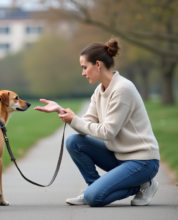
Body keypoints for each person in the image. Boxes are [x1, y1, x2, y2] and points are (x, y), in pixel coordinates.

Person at [34, 38, 160, 207]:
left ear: (98, 65)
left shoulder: (123, 89)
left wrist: (75, 120)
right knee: (74, 141)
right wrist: (62, 112)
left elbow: (107, 132)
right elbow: (86, 125)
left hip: (142, 161)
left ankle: (143, 185)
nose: (83, 73)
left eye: (85, 67)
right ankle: (92, 186)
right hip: (119, 156)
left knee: (94, 198)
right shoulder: (99, 91)